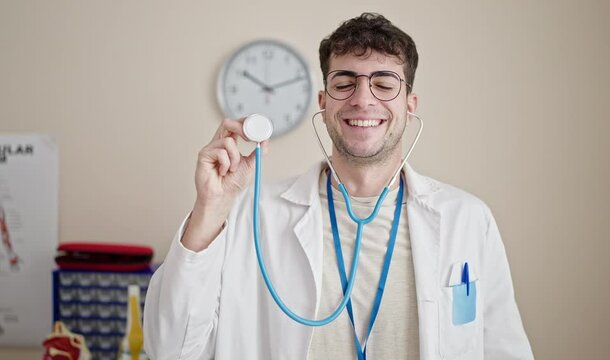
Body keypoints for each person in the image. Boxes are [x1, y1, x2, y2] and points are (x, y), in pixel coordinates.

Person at [143, 13, 534, 360]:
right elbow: (170, 350)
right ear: (324, 101)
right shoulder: (249, 216)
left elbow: (504, 349)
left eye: (384, 83)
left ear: (410, 104)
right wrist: (210, 206)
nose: (363, 99)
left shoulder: (466, 220)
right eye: (344, 82)